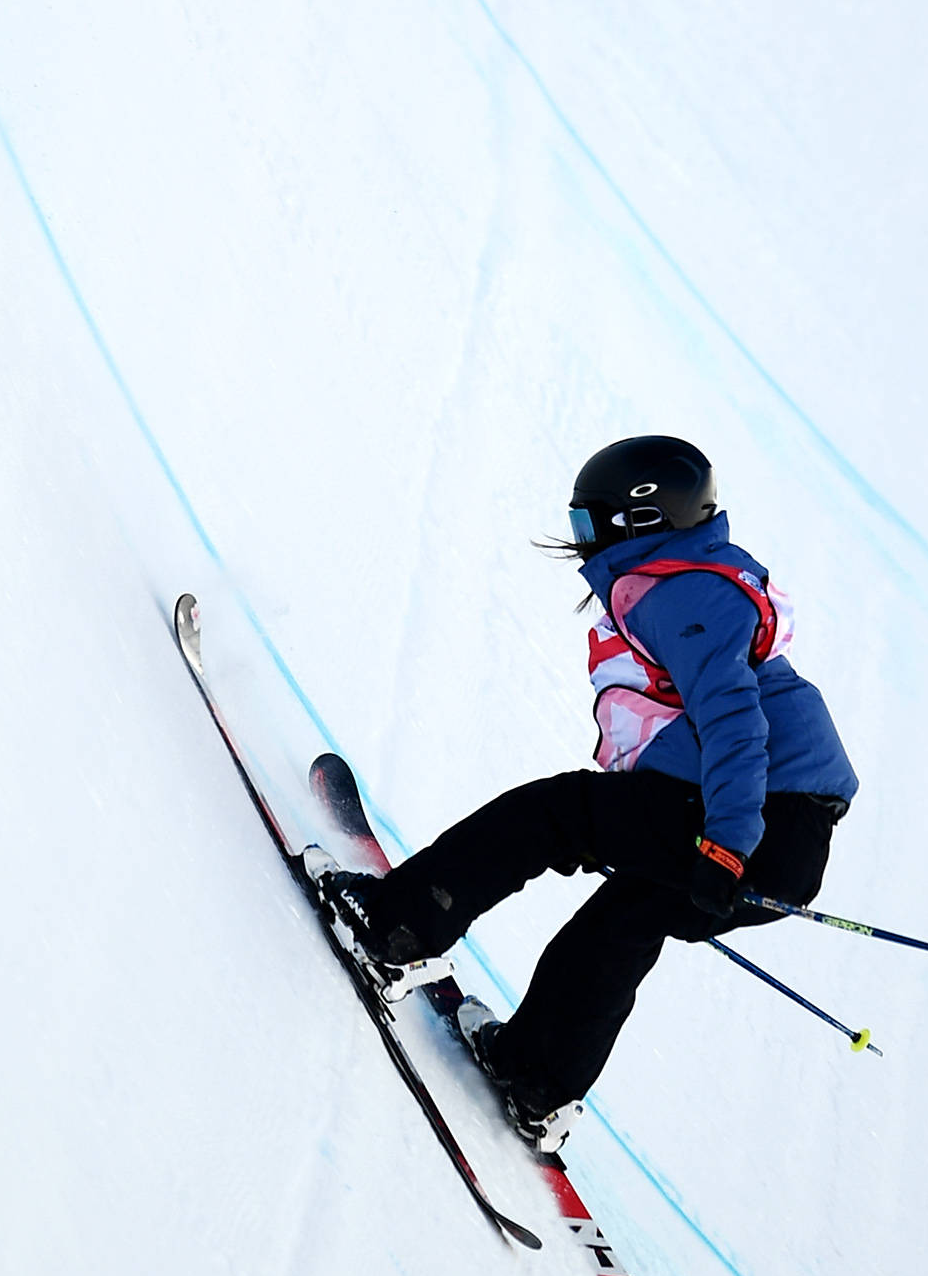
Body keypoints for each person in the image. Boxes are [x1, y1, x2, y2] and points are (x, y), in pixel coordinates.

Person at [325, 435, 858, 1145]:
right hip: (789, 847)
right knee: (625, 921)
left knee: (553, 817)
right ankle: (538, 1077)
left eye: (589, 526)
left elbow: (733, 721)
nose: (579, 547)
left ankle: (394, 926)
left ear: (639, 523)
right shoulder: (689, 580)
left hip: (750, 819)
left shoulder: (683, 594)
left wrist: (726, 845)